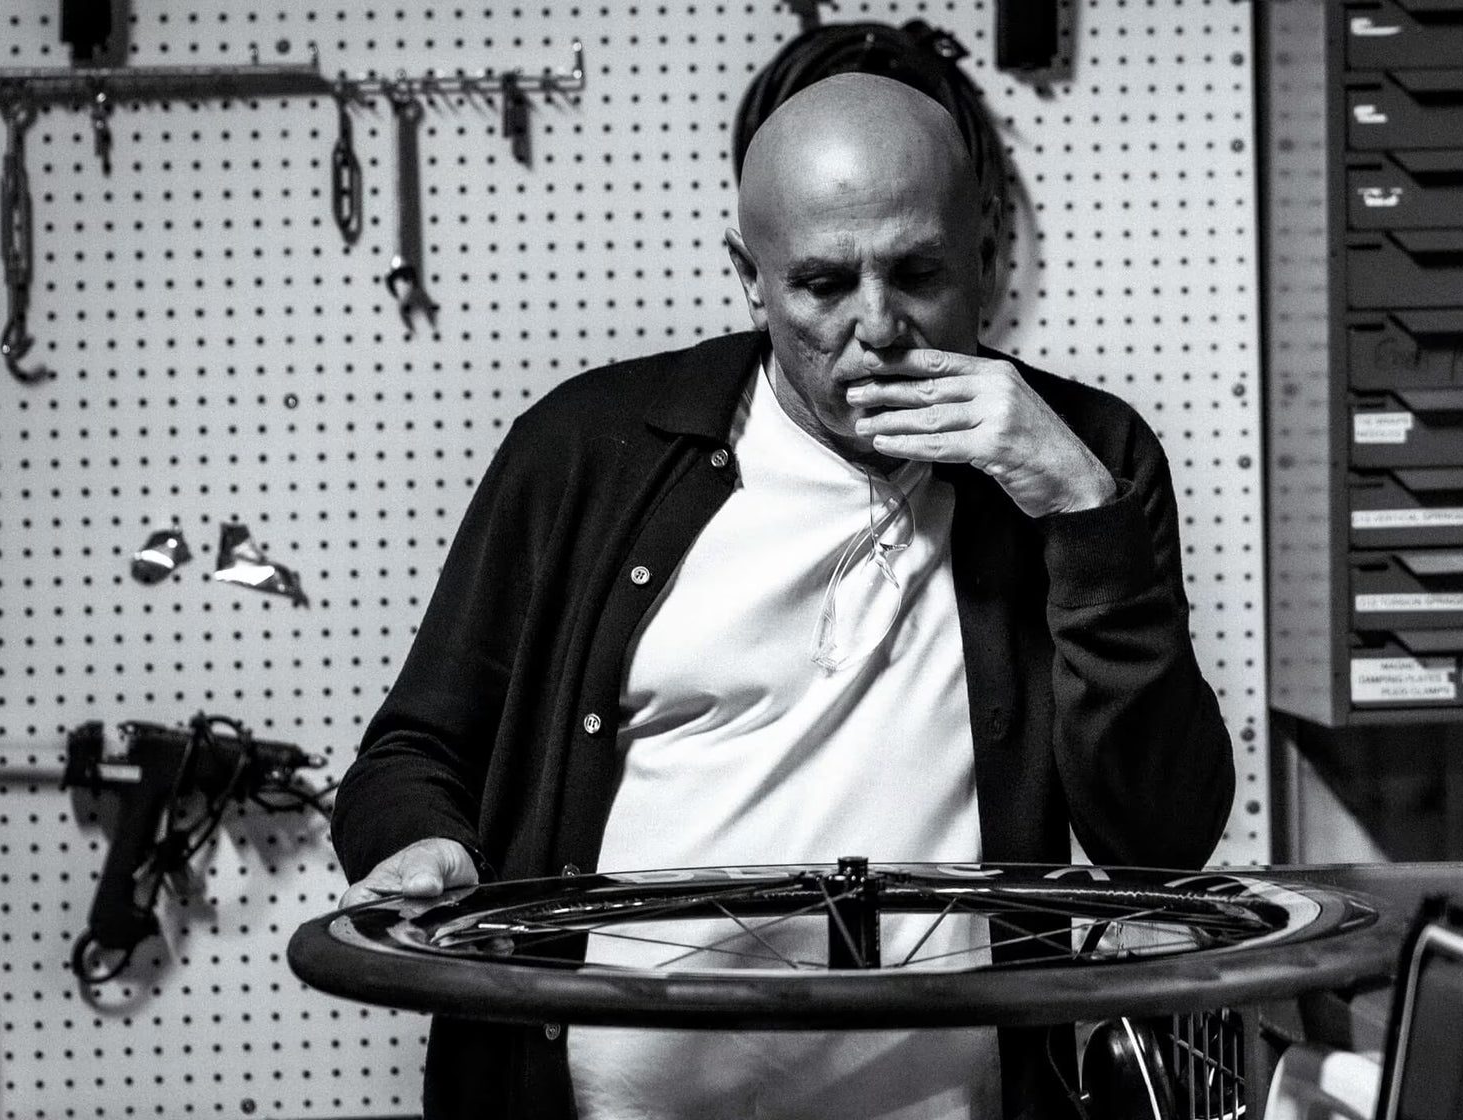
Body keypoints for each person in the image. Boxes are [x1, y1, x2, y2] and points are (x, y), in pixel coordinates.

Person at [331, 73, 1235, 1120]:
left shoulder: (1086, 454)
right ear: (750, 281)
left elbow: (1161, 841)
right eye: (822, 284)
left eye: (919, 272)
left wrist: (1080, 512)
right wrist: (420, 844)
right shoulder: (587, 450)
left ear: (984, 248)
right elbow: (412, 753)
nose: (879, 326)